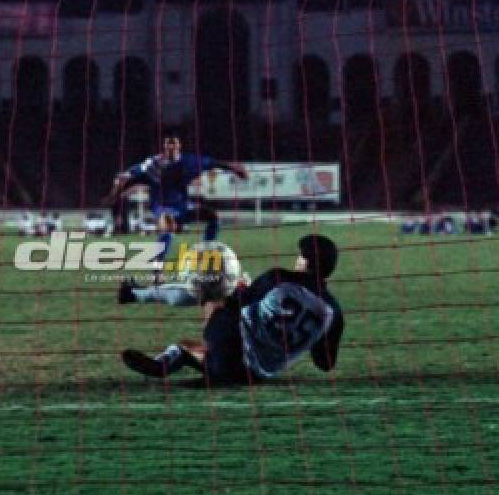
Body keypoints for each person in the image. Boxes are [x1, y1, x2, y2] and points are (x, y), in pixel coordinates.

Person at [120, 234, 344, 385]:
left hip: (229, 354)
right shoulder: (335, 313)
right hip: (258, 375)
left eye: (301, 256)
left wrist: (238, 287)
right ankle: (189, 358)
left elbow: (235, 303)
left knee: (211, 288)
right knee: (207, 351)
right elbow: (325, 364)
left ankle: (162, 354)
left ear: (305, 261)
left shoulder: (278, 278)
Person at [103, 132, 247, 269]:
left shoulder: (189, 161)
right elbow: (126, 176)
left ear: (179, 146)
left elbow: (212, 163)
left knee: (212, 216)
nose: (171, 147)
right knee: (168, 225)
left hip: (183, 207)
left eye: (174, 144)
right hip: (162, 207)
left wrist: (234, 168)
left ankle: (206, 254)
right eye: (168, 144)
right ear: (164, 147)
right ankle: (157, 271)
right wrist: (114, 194)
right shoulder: (153, 163)